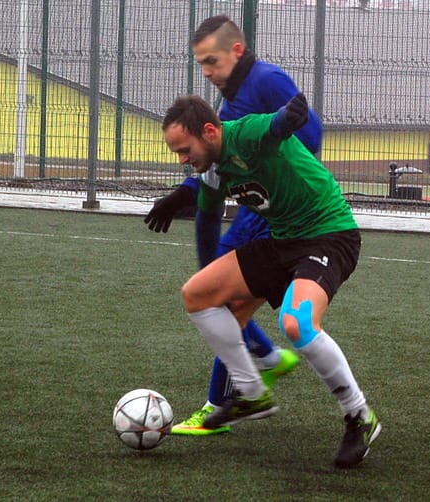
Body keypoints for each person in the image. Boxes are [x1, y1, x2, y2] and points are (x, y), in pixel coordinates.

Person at [157, 93, 381, 468]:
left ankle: (359, 415)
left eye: (184, 149)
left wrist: (290, 115)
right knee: (197, 294)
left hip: (329, 234)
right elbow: (209, 218)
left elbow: (274, 126)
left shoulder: (244, 134)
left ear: (210, 132)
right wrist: (181, 203)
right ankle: (250, 391)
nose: (182, 160)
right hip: (282, 241)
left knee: (296, 323)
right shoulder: (212, 171)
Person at [145, 15, 323, 436]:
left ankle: (233, 393)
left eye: (212, 61)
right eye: (201, 64)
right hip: (254, 210)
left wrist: (280, 180)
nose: (206, 72)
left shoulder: (266, 80)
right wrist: (186, 192)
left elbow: (310, 132)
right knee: (212, 291)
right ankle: (262, 362)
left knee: (221, 299)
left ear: (236, 51)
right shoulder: (231, 97)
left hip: (276, 213)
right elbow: (221, 151)